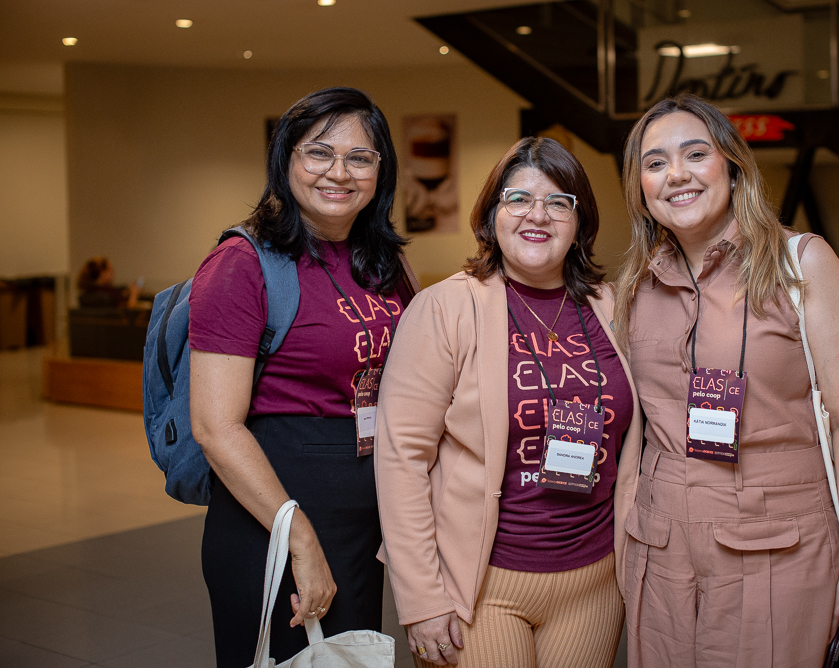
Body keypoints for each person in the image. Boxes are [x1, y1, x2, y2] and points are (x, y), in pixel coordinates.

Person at [614, 93, 839, 667]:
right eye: (655, 163)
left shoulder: (802, 264)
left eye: (695, 154)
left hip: (777, 548)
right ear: (639, 187)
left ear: (732, 167)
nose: (676, 174)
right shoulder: (635, 286)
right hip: (660, 550)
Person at [375, 137, 643, 668]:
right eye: (518, 199)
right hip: (481, 587)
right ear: (491, 214)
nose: (537, 215)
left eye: (558, 202)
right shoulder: (445, 308)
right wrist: (422, 597)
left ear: (580, 221)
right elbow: (401, 456)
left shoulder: (614, 306)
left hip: (595, 582)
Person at [188, 87, 417, 668]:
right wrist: (300, 539)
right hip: (274, 516)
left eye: (360, 157)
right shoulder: (242, 264)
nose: (339, 173)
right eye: (319, 153)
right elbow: (215, 427)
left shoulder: (382, 263)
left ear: (381, 170)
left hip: (358, 519)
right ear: (285, 159)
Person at [76, 257, 140, 308]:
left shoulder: (87, 292)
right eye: (110, 270)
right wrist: (134, 293)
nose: (113, 273)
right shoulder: (110, 293)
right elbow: (130, 311)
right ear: (102, 273)